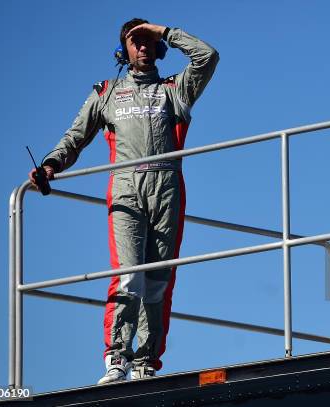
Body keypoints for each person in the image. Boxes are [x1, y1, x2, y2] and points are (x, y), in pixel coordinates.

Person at [28, 18, 219, 384]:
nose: (144, 46)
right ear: (123, 50)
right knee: (128, 276)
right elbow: (74, 137)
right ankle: (117, 357)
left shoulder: (175, 89)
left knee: (158, 280)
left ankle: (147, 362)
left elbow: (207, 56)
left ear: (159, 47)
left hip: (167, 186)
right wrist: (51, 165)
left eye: (149, 41)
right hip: (126, 188)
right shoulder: (107, 92)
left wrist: (165, 30)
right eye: (136, 41)